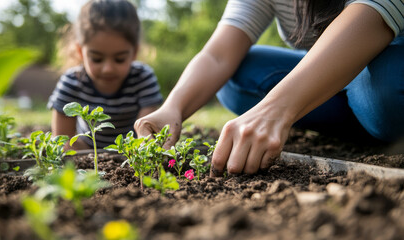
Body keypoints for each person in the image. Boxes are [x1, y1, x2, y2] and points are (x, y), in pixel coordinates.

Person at [134, 0, 404, 176]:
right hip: (333, 83)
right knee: (236, 76)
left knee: (385, 91)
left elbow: (374, 14)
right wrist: (173, 107)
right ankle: (365, 120)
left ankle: (371, 114)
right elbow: (219, 55)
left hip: (386, 64)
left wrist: (276, 109)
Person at [48, 0, 163, 150]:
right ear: (80, 51)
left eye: (119, 59)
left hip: (131, 153)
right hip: (85, 152)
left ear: (134, 52)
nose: (108, 69)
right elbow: (63, 140)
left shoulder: (143, 78)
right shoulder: (72, 82)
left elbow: (146, 137)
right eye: (97, 59)